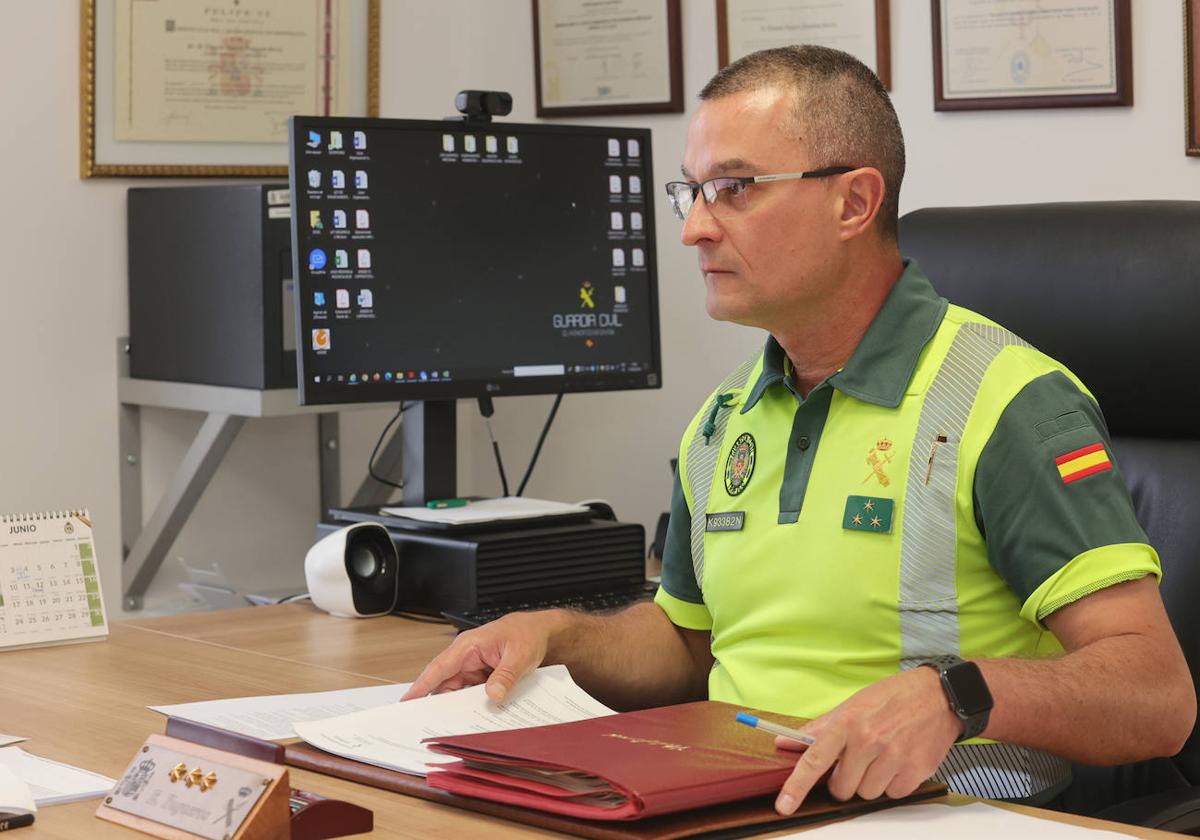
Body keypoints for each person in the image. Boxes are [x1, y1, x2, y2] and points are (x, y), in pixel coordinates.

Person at [403, 46, 1195, 813]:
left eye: (736, 189)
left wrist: (952, 696)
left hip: (936, 815)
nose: (695, 230)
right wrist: (556, 635)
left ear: (854, 201)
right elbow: (690, 646)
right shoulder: (722, 420)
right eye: (694, 192)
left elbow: (1156, 697)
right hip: (733, 805)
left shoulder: (1005, 404)